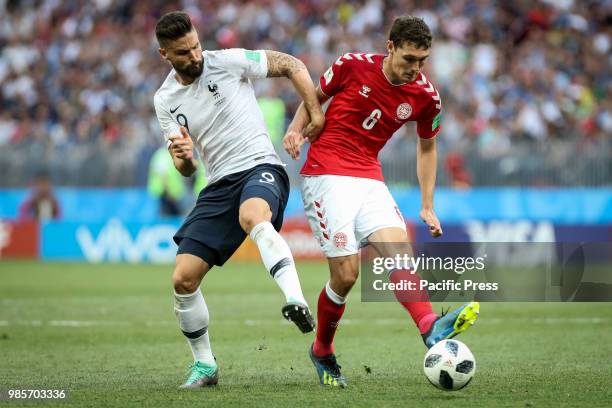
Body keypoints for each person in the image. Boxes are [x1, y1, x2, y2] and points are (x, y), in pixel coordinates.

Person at [283, 16, 480, 387]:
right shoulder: (352, 65)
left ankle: (429, 328)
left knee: (400, 255)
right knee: (346, 276)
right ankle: (322, 349)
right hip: (325, 173)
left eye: (422, 60)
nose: (415, 69)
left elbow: (427, 146)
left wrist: (427, 204)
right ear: (390, 47)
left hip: (369, 176)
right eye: (409, 59)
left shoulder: (426, 96)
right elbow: (314, 98)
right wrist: (295, 129)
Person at [153, 11, 325, 388]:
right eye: (184, 52)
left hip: (261, 166)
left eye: (196, 45)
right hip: (217, 185)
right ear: (165, 54)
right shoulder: (165, 100)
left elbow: (291, 64)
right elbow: (185, 168)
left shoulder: (228, 62)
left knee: (253, 215)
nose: (196, 56)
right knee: (183, 279)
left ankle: (296, 299)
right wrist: (182, 158)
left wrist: (314, 112)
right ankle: (205, 366)